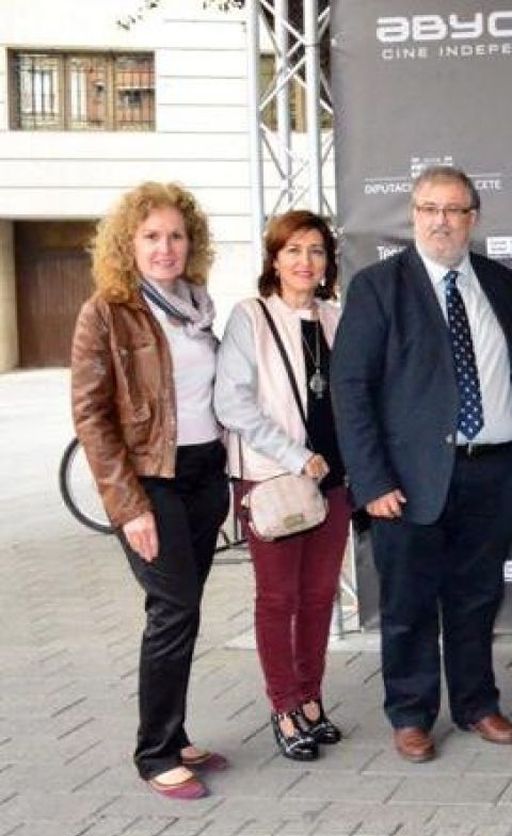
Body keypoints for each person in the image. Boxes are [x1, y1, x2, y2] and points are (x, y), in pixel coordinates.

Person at [331, 165, 512, 762]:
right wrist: (371, 481)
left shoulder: (497, 282)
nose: (441, 220)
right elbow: (351, 387)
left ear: (473, 218)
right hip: (408, 481)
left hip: (490, 473)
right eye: (429, 209)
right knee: (410, 605)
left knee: (476, 598)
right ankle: (412, 714)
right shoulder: (375, 286)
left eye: (454, 210)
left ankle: (476, 704)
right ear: (413, 215)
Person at [70, 182, 230, 799]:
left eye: (176, 236)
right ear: (127, 244)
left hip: (201, 477)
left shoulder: (194, 305)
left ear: (192, 243)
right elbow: (91, 415)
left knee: (180, 613)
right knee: (173, 610)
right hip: (148, 481)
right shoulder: (106, 311)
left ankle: (175, 731)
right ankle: (155, 752)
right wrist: (128, 505)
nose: (165, 248)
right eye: (151, 236)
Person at [214, 210, 351, 762]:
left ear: (327, 263)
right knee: (279, 599)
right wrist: (298, 456)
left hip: (334, 481)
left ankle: (312, 700)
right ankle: (284, 706)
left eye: (316, 251)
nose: (305, 261)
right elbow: (231, 402)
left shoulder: (337, 319)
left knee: (319, 598)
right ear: (275, 259)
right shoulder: (251, 317)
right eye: (293, 250)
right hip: (275, 481)